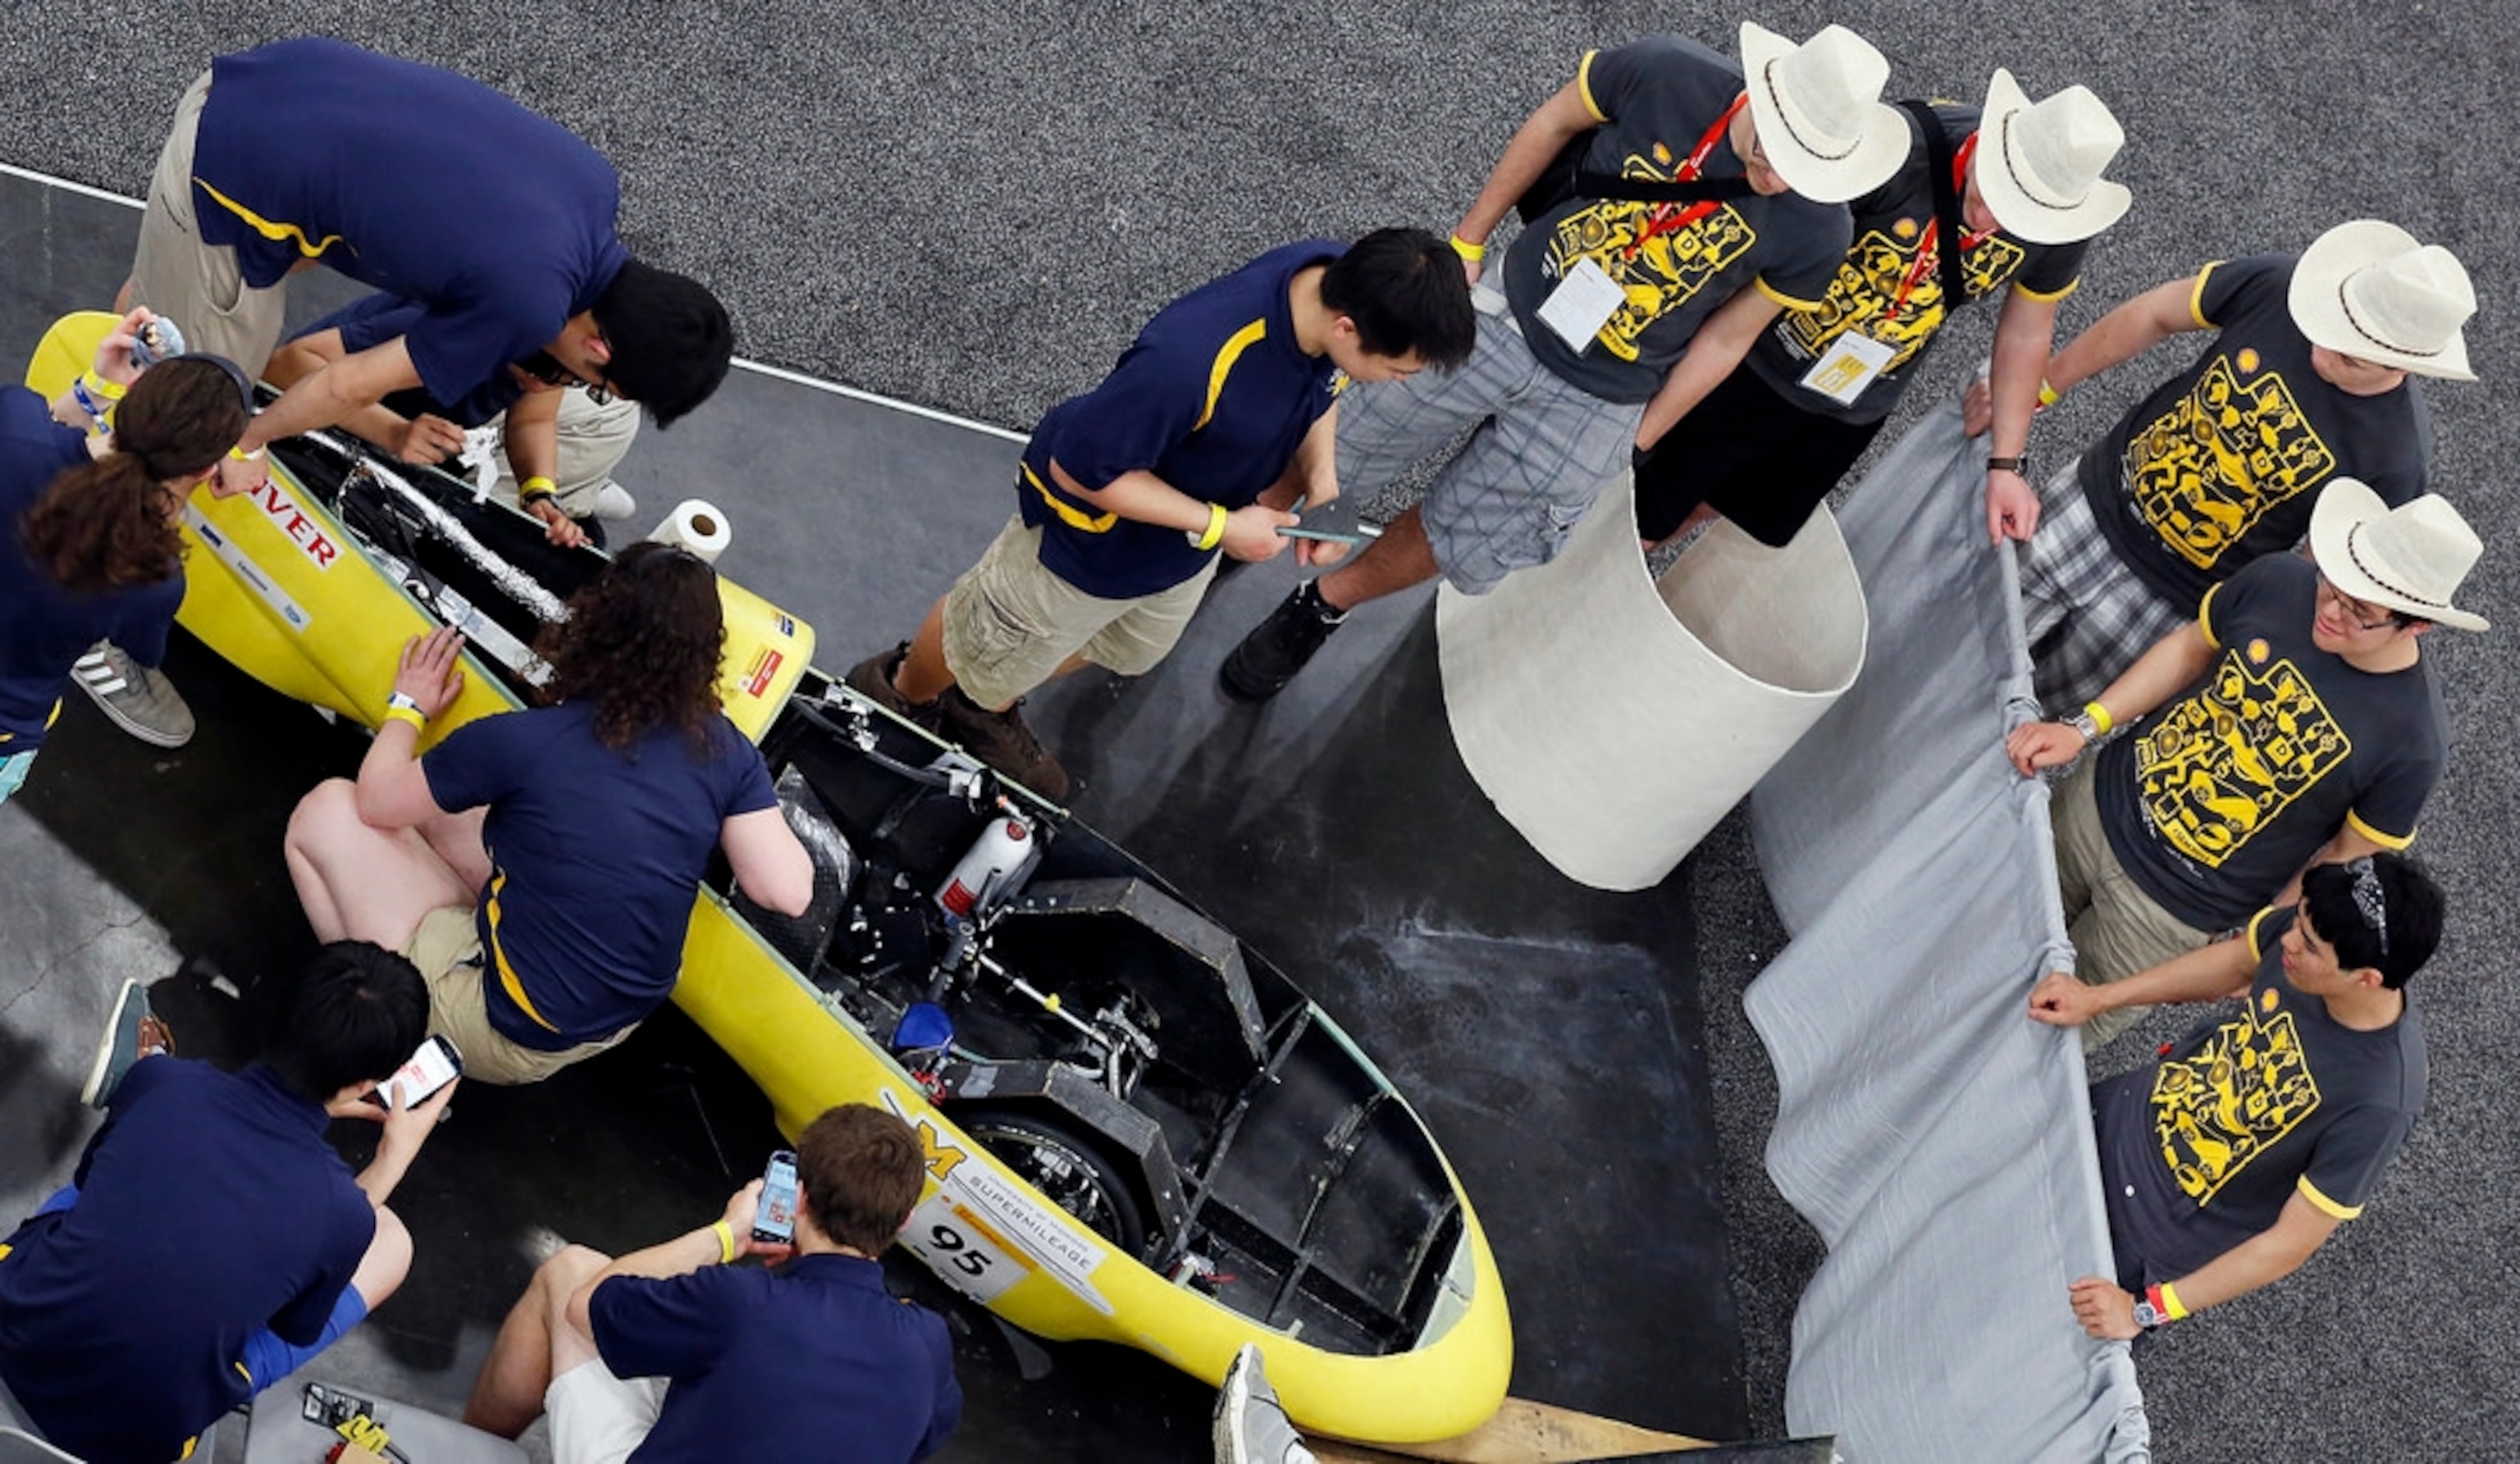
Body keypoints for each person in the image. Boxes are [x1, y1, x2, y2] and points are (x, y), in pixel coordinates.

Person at [1218, 23, 1907, 700]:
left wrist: (1643, 435)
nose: (1781, 177)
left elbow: (1728, 337)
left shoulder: (1824, 230)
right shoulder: (1666, 72)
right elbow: (1551, 123)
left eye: (1808, 168)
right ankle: (1237, 533)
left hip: (1610, 394)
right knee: (1352, 428)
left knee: (1476, 529)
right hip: (1510, 307)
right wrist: (1467, 242)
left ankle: (1322, 608)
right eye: (1776, 149)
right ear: (1763, 93)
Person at [96, 35, 734, 745]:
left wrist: (537, 492)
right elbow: (343, 381)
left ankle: (143, 324)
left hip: (274, 84)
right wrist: (243, 437)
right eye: (602, 386)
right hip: (225, 169)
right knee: (187, 426)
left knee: (177, 312)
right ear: (599, 348)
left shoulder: (592, 188)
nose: (583, 389)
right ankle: (89, 615)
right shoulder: (527, 306)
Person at [844, 229, 1475, 797]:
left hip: (1179, 544)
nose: (1396, 383)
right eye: (1395, 370)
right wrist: (1224, 527)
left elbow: (1324, 389)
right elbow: (1081, 469)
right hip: (1088, 546)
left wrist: (1323, 480)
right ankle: (898, 695)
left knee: (1123, 646)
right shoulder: (1188, 364)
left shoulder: (1337, 279)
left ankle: (982, 702)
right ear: (1346, 328)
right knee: (975, 631)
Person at [283, 545, 813, 1084]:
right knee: (463, 820)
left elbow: (374, 800)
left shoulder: (525, 742)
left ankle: (387, 1039)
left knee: (327, 810)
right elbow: (789, 892)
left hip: (507, 1031)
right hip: (613, 1021)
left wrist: (407, 706)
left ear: (595, 623)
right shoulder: (725, 749)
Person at [2005, 478, 2481, 1043]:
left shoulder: (2414, 743)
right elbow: (2191, 648)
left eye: (2359, 611)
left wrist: (2259, 940)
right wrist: (2085, 726)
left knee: (2037, 1036)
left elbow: (2340, 859)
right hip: (2093, 803)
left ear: (2417, 624)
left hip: (2167, 918)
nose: (2330, 608)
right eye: (2333, 582)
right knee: (1977, 922)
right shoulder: (2280, 581)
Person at [1984, 218, 2474, 710]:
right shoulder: (2285, 287)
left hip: (2165, 605)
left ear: (2403, 363)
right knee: (1959, 626)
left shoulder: (2395, 460)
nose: (2321, 346)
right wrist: (2039, 390)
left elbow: (2320, 570)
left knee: (2026, 717)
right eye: (2333, 325)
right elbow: (2156, 313)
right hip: (2089, 503)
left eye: (2349, 357)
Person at [1631, 69, 2129, 550]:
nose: (1990, 218)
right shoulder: (1899, 151)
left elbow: (2026, 332)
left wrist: (2005, 463)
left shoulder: (2060, 226)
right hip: (1758, 362)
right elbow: (1778, 232)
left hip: (1854, 400)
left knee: (1718, 505)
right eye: (1995, 190)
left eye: (2019, 214)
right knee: (1648, 506)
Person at [0, 942, 453, 1462]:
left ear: (278, 1010)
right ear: (366, 1084)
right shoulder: (342, 1213)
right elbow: (291, 1324)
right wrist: (393, 1158)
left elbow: (86, 1183)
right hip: (129, 1442)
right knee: (390, 1243)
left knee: (117, 1186)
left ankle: (132, 1076)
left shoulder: (166, 1085)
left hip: (11, 1335)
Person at [2026, 855, 2440, 1341]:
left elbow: (2289, 1245)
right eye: (2297, 921)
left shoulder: (2381, 1101)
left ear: (2366, 978)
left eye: (2307, 945)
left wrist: (2143, 1311)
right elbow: (2237, 961)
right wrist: (2099, 997)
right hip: (2115, 1113)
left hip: (2143, 1237)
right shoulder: (2307, 932)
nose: (2287, 940)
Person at [463, 1103, 960, 1462]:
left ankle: (457, 1452)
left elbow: (589, 1307)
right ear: (902, 1221)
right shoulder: (929, 1342)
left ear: (799, 1199)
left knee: (568, 1270)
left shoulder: (742, 1301)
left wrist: (726, 1236)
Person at [2, 311, 253, 773]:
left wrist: (96, 384)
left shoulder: (14, 420)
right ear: (203, 470)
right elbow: (142, 650)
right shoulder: (154, 577)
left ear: (133, 396)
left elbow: (45, 438)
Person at [269, 292, 643, 550]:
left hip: (411, 445)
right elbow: (285, 367)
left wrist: (539, 491)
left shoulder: (542, 358)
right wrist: (391, 432)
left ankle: (578, 492)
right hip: (313, 428)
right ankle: (585, 492)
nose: (541, 385)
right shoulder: (436, 324)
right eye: (539, 370)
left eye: (570, 381)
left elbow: (535, 420)